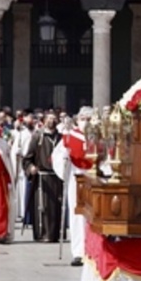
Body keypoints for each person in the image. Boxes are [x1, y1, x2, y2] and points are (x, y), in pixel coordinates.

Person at [52, 108, 96, 266]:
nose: (86, 122)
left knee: (94, 214)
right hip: (75, 177)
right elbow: (58, 157)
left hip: (93, 177)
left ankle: (94, 249)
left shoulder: (99, 135)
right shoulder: (70, 136)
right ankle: (78, 252)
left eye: (89, 119)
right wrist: (64, 154)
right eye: (83, 118)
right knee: (77, 214)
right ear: (78, 120)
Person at [22, 113, 64, 242]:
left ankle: (55, 234)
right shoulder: (37, 136)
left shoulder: (61, 137)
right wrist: (31, 168)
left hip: (57, 177)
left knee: (57, 206)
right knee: (43, 207)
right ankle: (43, 234)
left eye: (54, 118)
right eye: (49, 118)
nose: (52, 121)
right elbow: (27, 158)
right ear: (44, 121)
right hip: (42, 177)